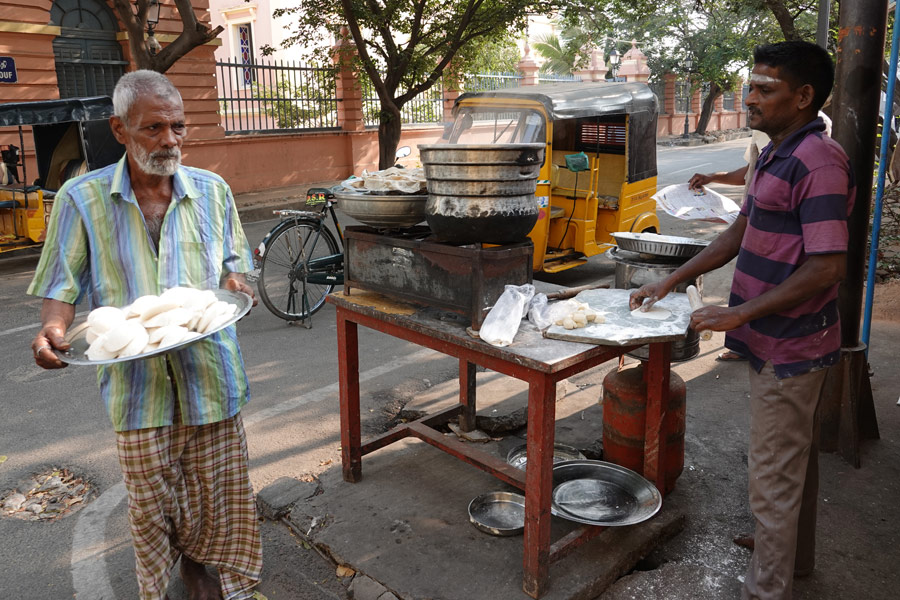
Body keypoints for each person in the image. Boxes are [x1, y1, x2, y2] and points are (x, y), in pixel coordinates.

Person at [629, 41, 853, 600]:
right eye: (749, 86)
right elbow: (737, 234)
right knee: (786, 457)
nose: (748, 98)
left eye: (763, 88)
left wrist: (739, 312)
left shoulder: (817, 162)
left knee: (773, 477)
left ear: (803, 97)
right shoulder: (775, 151)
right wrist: (672, 278)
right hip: (766, 334)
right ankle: (790, 554)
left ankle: (767, 589)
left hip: (793, 344)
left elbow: (828, 267)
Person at [28, 70, 263, 600]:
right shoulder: (80, 199)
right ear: (119, 129)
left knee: (215, 491)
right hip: (137, 388)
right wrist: (53, 328)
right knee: (152, 500)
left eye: (178, 126)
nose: (170, 140)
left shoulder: (212, 190)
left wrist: (235, 283)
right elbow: (60, 284)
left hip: (211, 375)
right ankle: (175, 569)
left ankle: (202, 567)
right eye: (154, 127)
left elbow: (233, 265)